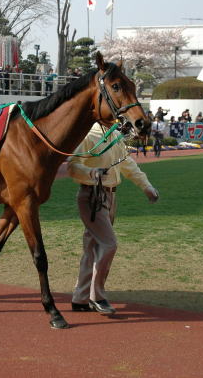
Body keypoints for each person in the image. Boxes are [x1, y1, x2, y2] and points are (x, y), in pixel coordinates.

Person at [67, 123, 160, 315]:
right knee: (108, 244)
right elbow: (73, 165)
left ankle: (80, 298)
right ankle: (97, 297)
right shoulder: (88, 136)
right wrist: (92, 173)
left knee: (92, 248)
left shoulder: (115, 136)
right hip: (92, 195)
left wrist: (146, 186)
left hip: (109, 196)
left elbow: (127, 164)